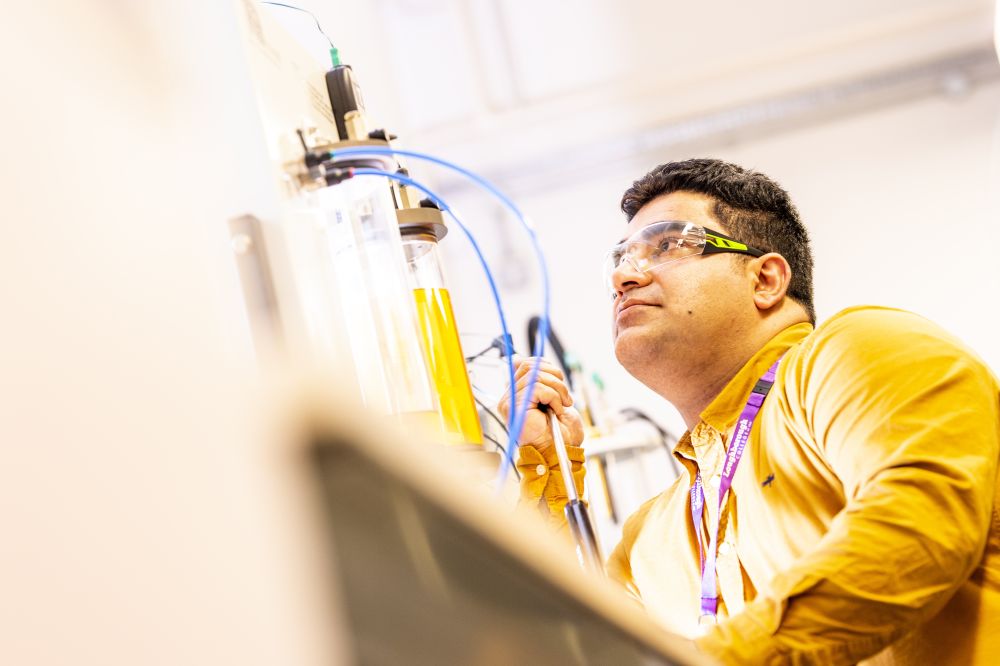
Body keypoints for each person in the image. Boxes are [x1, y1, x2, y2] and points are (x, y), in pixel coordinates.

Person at [498, 158, 1000, 665]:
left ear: (766, 279)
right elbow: (575, 646)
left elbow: (917, 531)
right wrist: (550, 474)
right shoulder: (652, 537)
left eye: (669, 244)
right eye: (621, 258)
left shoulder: (856, 351)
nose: (624, 276)